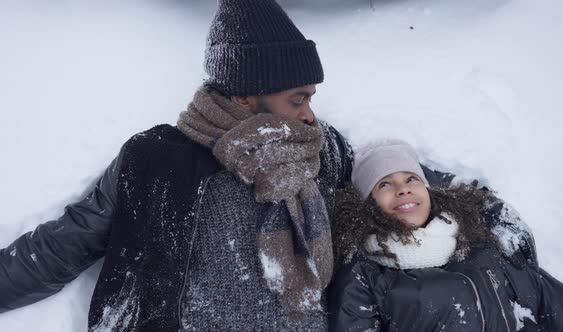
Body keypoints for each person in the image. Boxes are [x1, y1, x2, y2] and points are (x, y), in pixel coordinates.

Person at [0, 0, 357, 330]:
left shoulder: (321, 152)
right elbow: (69, 242)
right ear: (245, 95)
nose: (309, 115)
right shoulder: (158, 160)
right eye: (297, 100)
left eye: (311, 98)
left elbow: (389, 213)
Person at [328, 139, 563, 331]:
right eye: (384, 183)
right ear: (368, 203)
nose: (403, 189)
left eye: (411, 179)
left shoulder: (482, 246)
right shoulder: (364, 275)